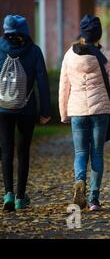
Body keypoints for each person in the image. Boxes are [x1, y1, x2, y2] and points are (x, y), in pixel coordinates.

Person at [59, 15, 110, 211]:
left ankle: (79, 181)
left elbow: (63, 86)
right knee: (97, 153)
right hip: (101, 111)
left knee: (80, 152)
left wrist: (63, 113)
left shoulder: (70, 55)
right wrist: (109, 106)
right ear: (99, 34)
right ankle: (93, 199)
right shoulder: (106, 55)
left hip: (77, 110)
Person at [0, 15, 51, 212]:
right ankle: (21, 197)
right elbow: (43, 82)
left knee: (6, 151)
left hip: (3, 109)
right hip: (26, 109)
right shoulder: (34, 51)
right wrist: (45, 111)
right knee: (23, 152)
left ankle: (8, 195)